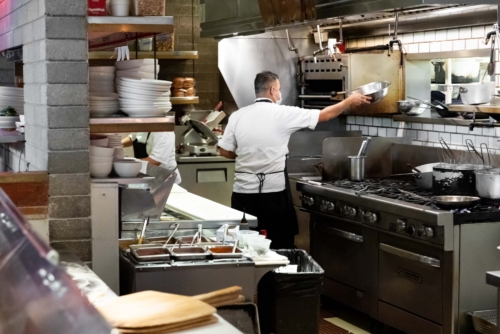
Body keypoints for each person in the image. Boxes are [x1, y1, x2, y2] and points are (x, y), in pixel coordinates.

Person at [218, 71, 370, 248]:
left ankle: (249, 276)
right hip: (273, 195)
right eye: (280, 89)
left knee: (244, 243)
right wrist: (350, 100)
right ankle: (276, 275)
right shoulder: (283, 113)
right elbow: (324, 115)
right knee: (277, 244)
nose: (279, 93)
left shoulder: (238, 116)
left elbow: (224, 151)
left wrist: (247, 154)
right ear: (273, 90)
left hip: (242, 194)